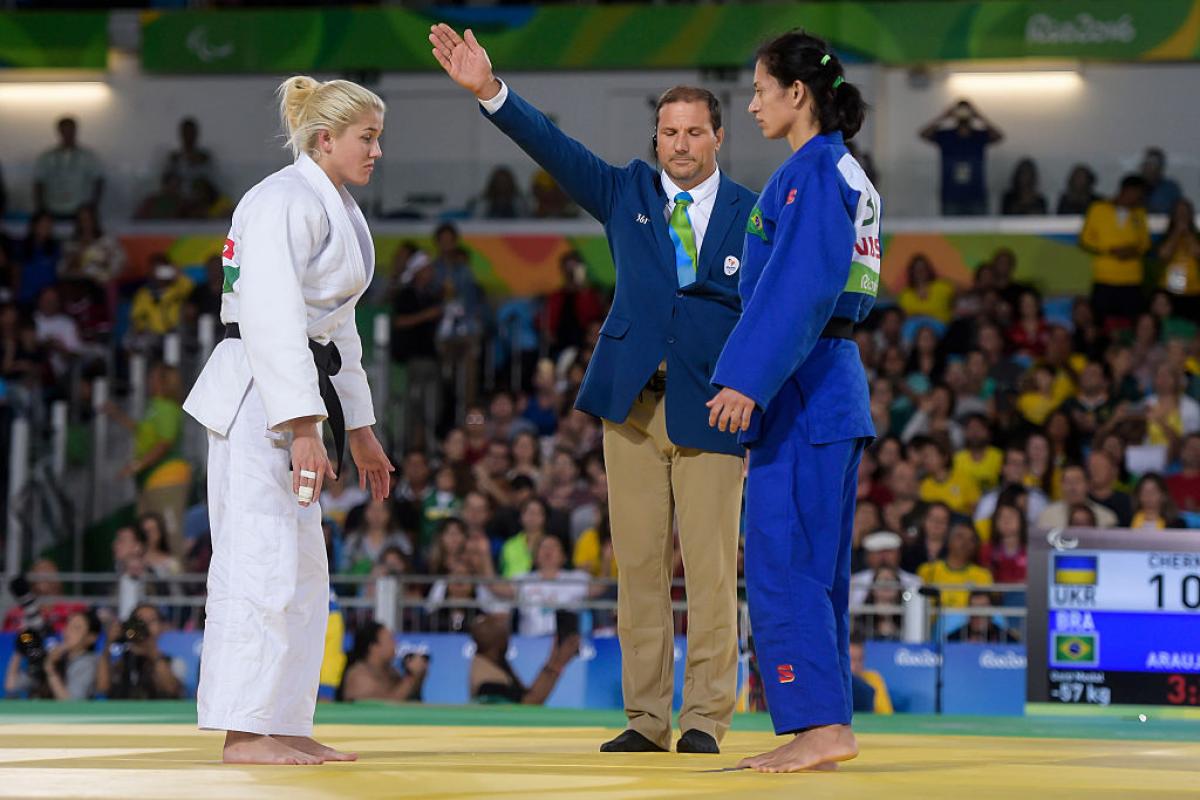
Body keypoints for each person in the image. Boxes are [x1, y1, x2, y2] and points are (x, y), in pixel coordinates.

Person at [431, 23, 756, 756]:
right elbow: (553, 146)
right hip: (633, 407)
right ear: (657, 137)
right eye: (668, 131)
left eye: (693, 132)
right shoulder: (623, 192)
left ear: (717, 137)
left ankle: (705, 718)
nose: (679, 144)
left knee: (709, 577)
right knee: (637, 573)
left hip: (712, 407)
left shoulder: (754, 213)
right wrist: (490, 90)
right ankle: (646, 720)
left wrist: (754, 390)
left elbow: (766, 314)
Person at [181, 76, 394, 765]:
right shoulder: (278, 201)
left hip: (299, 390)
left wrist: (358, 426)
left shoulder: (334, 206)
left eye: (378, 138)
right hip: (258, 401)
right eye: (367, 138)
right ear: (326, 139)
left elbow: (340, 330)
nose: (377, 151)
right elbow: (271, 319)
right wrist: (305, 426)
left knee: (303, 572)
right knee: (259, 562)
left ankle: (284, 720)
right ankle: (244, 731)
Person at [705, 30, 878, 773]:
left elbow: (799, 286)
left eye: (759, 89)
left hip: (804, 382)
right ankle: (825, 721)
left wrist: (746, 377)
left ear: (796, 93)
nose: (750, 105)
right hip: (826, 380)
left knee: (784, 558)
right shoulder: (839, 170)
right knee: (815, 565)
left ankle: (818, 725)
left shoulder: (813, 172)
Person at [1079, 175, 1150, 324]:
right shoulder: (1098, 209)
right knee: (1100, 323)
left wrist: (1132, 251)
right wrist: (1111, 250)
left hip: (1131, 280)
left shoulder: (1139, 213)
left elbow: (1145, 244)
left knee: (1132, 324)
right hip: (1105, 278)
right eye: (1137, 194)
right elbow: (1085, 240)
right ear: (1126, 190)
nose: (1139, 198)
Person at [468, 613, 579, 705]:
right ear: (498, 642)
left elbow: (527, 695)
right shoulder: (488, 681)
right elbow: (527, 705)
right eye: (505, 636)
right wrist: (558, 664)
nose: (508, 640)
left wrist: (555, 660)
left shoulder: (493, 662)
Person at [919, 100, 1003, 216]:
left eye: (966, 111)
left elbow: (999, 136)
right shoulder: (946, 136)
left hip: (976, 196)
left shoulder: (979, 136)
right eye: (960, 111)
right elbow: (923, 134)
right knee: (951, 231)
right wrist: (944, 116)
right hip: (951, 197)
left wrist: (979, 116)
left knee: (979, 232)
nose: (963, 114)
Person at [106, 604, 184, 700]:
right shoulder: (120, 659)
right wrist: (108, 644)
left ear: (161, 627)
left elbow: (172, 690)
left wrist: (152, 652)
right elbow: (102, 689)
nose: (145, 625)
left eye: (152, 621)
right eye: (140, 621)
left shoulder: (174, 662)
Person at [338, 621, 428, 702]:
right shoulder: (358, 675)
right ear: (373, 647)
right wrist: (411, 678)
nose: (395, 644)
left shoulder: (391, 672)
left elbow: (410, 699)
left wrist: (419, 676)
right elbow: (383, 707)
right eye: (390, 639)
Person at [33, 117, 104, 220]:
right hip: (52, 209)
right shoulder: (47, 157)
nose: (68, 134)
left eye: (70, 130)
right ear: (59, 132)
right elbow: (38, 183)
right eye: (64, 130)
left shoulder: (88, 156)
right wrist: (40, 208)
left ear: (75, 130)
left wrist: (93, 206)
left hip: (80, 210)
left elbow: (99, 181)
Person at [1156, 198, 1200, 323]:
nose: (1182, 215)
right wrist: (1176, 233)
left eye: (1185, 212)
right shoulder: (1166, 236)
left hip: (1194, 291)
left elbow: (1197, 253)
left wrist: (1187, 234)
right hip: (1170, 291)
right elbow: (1163, 255)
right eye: (1179, 212)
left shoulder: (1196, 236)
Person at [1141, 147, 1182, 215]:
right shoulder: (1134, 187)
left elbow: (1179, 210)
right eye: (1149, 163)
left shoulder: (1171, 188)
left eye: (1155, 164)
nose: (1151, 168)